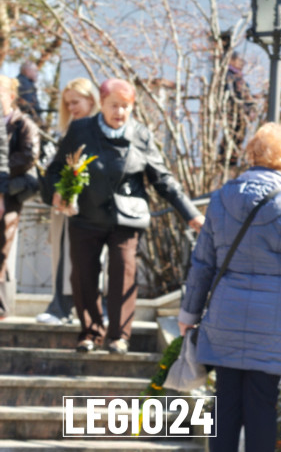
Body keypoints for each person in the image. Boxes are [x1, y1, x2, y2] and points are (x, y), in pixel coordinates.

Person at [178, 122, 281, 452]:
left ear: (252, 154)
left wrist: (189, 313)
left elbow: (203, 262)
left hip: (225, 316)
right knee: (262, 409)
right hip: (276, 322)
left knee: (225, 406)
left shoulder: (220, 199)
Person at [43, 78, 204, 354]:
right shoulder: (81, 129)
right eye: (114, 105)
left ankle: (119, 336)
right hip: (86, 216)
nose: (120, 112)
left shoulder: (141, 134)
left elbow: (163, 179)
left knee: (123, 271)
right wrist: (58, 191)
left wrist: (191, 214)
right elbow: (56, 168)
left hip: (126, 218)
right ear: (102, 104)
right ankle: (90, 333)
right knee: (83, 275)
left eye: (126, 106)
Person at [37, 79, 102, 325]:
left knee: (97, 261)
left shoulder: (102, 129)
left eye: (75, 102)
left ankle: (94, 309)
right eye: (67, 104)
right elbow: (57, 168)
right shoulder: (70, 131)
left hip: (97, 208)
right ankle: (61, 308)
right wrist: (59, 190)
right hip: (69, 207)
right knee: (66, 257)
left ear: (91, 100)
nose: (71, 108)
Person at [0, 76, 39, 316]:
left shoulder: (23, 124)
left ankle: (2, 306)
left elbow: (28, 156)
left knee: (2, 247)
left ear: (11, 96)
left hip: (10, 194)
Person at [221, 52, 256, 167]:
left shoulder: (239, 77)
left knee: (239, 138)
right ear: (232, 61)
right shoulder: (228, 76)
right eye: (239, 61)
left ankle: (233, 161)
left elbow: (246, 95)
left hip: (241, 113)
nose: (242, 64)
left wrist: (251, 108)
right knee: (231, 137)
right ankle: (226, 163)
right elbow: (232, 95)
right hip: (233, 112)